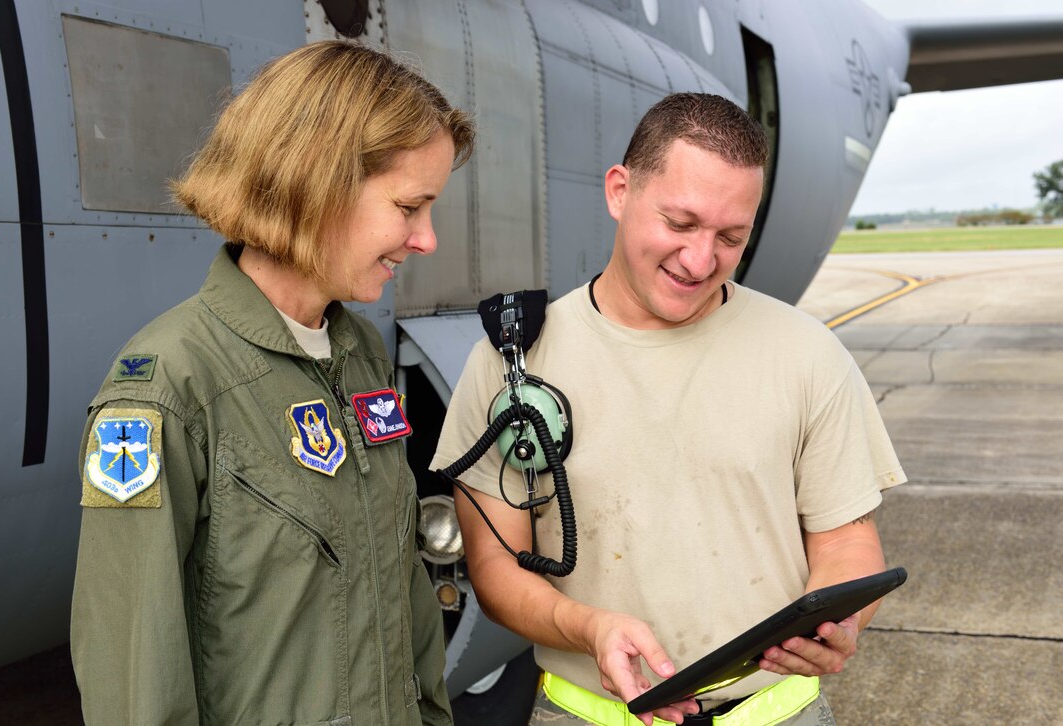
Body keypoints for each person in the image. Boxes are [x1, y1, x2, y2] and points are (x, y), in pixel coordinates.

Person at [430, 93, 905, 726]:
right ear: (620, 191)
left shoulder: (807, 354)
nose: (700, 259)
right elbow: (495, 571)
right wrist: (588, 627)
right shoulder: (513, 363)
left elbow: (848, 544)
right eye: (680, 224)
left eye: (731, 237)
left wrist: (839, 621)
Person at [71, 40, 474, 725]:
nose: (426, 238)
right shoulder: (171, 386)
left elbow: (400, 586)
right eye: (410, 207)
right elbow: (136, 679)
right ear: (316, 183)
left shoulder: (360, 354)